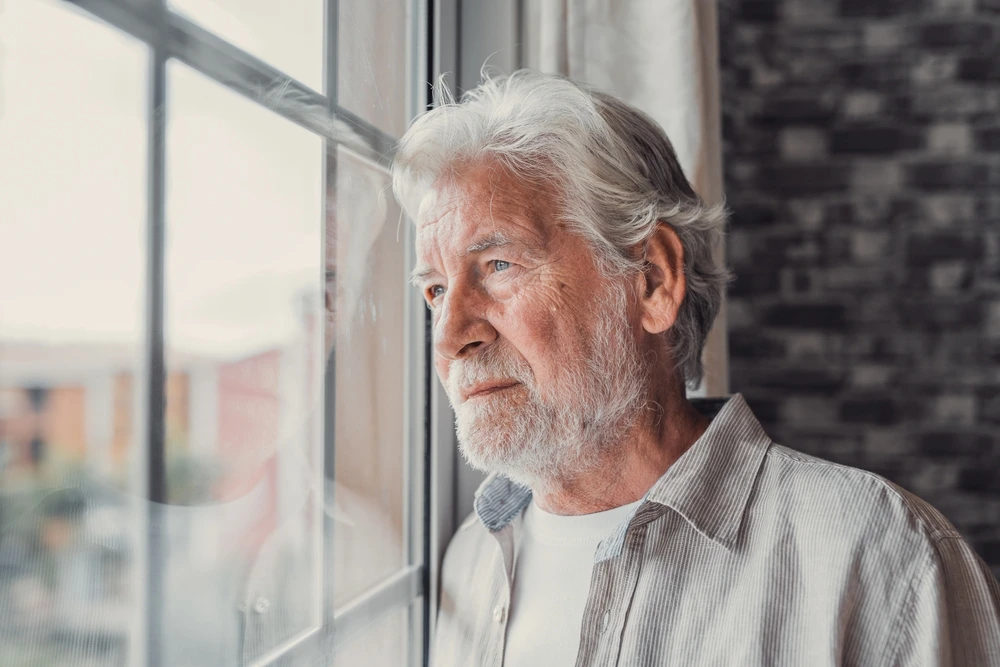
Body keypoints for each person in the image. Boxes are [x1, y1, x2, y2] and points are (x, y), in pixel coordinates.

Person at [391, 69, 1000, 666]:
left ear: (653, 280)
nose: (449, 337)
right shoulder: (468, 561)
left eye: (498, 264)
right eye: (436, 290)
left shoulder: (882, 557)